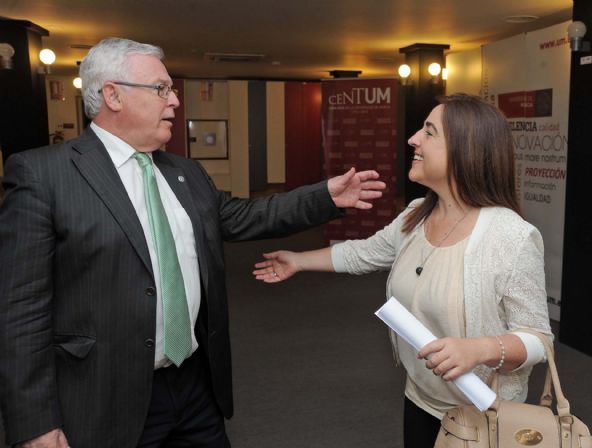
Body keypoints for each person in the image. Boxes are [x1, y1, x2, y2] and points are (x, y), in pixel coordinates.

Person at [0, 37, 386, 448]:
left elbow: (242, 217)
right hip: (105, 394)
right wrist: (34, 421)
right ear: (112, 95)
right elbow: (20, 311)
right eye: (161, 89)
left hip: (195, 385)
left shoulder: (185, 172)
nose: (175, 101)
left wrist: (325, 196)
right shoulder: (44, 175)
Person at [253, 94, 553, 447]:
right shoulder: (416, 214)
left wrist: (480, 349)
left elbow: (539, 341)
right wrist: (299, 260)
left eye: (429, 132)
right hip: (420, 401)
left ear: (465, 149)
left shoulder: (511, 236)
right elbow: (364, 253)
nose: (413, 139)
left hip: (486, 417)